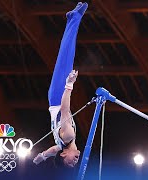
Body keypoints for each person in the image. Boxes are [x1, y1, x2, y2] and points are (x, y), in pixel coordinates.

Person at [33, 2, 88, 168]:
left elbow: (65, 109)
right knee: (66, 56)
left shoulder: (68, 135)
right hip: (54, 98)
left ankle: (74, 17)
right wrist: (41, 157)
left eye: (70, 162)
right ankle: (73, 18)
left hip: (58, 96)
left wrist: (69, 85)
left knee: (66, 55)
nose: (75, 162)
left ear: (64, 155)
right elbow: (52, 150)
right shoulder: (62, 145)